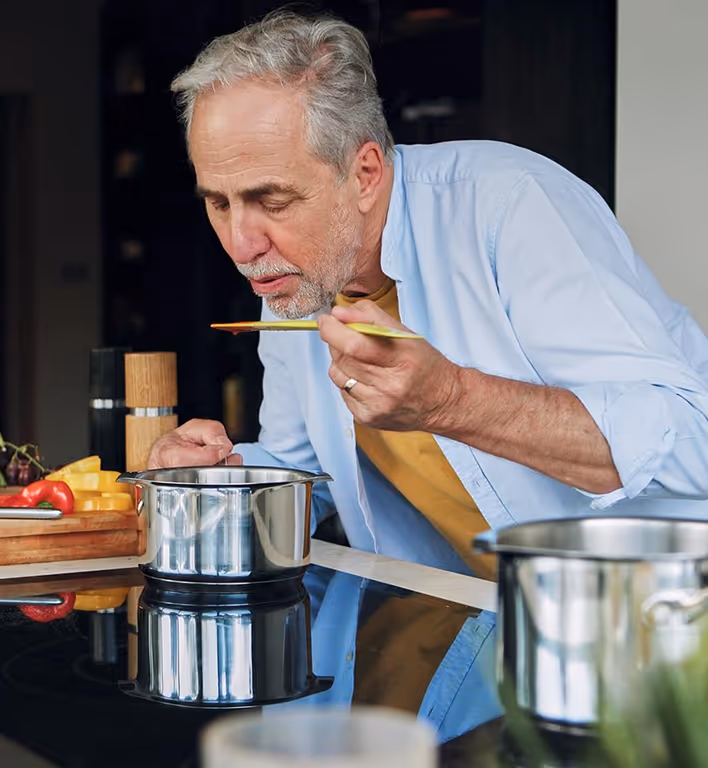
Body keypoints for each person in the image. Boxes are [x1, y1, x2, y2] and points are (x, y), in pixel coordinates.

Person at [149, 11, 708, 577]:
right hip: (468, 621)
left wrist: (451, 399)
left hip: (654, 614)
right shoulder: (298, 273)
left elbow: (693, 445)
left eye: (273, 201)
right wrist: (218, 476)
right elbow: (309, 477)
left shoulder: (512, 206)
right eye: (218, 203)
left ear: (364, 173)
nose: (242, 245)